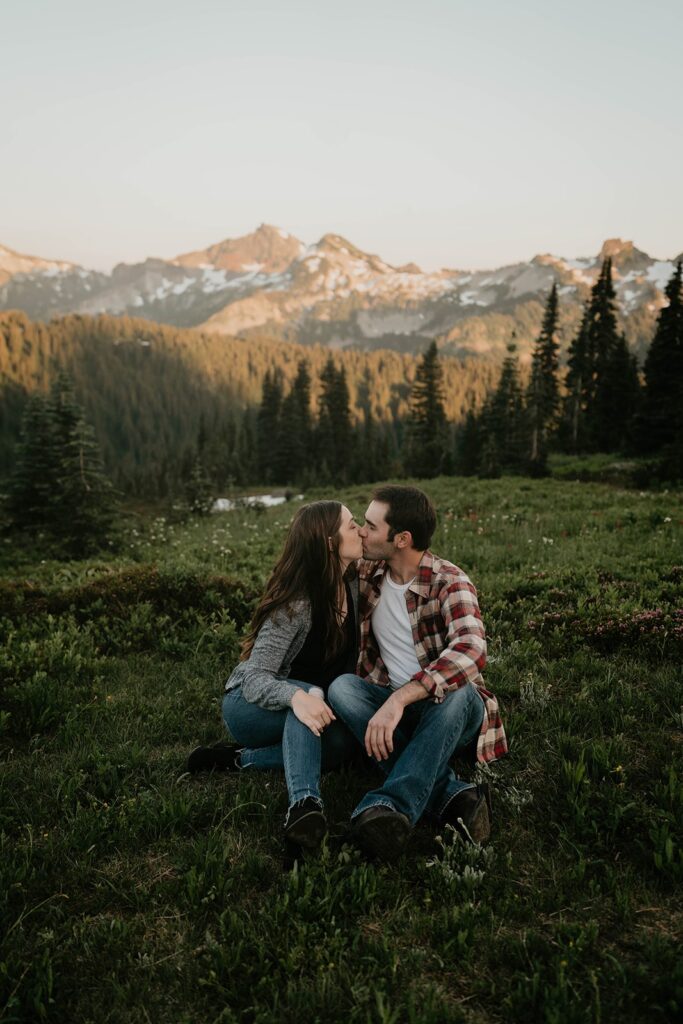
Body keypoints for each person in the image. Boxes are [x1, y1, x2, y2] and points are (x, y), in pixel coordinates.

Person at [327, 485, 508, 860]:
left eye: (371, 526)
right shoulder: (369, 573)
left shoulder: (449, 581)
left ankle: (387, 807)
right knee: (343, 688)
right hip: (397, 709)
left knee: (457, 692)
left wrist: (401, 696)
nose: (362, 531)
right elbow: (319, 560)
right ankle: (454, 797)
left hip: (453, 711)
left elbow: (471, 651)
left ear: (402, 539)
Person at [188, 500, 362, 849]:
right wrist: (296, 696)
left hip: (304, 703)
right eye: (352, 524)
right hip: (249, 705)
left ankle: (239, 759)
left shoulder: (353, 583)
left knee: (342, 745)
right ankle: (304, 807)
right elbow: (255, 679)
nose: (360, 529)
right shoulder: (297, 604)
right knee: (309, 697)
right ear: (330, 543)